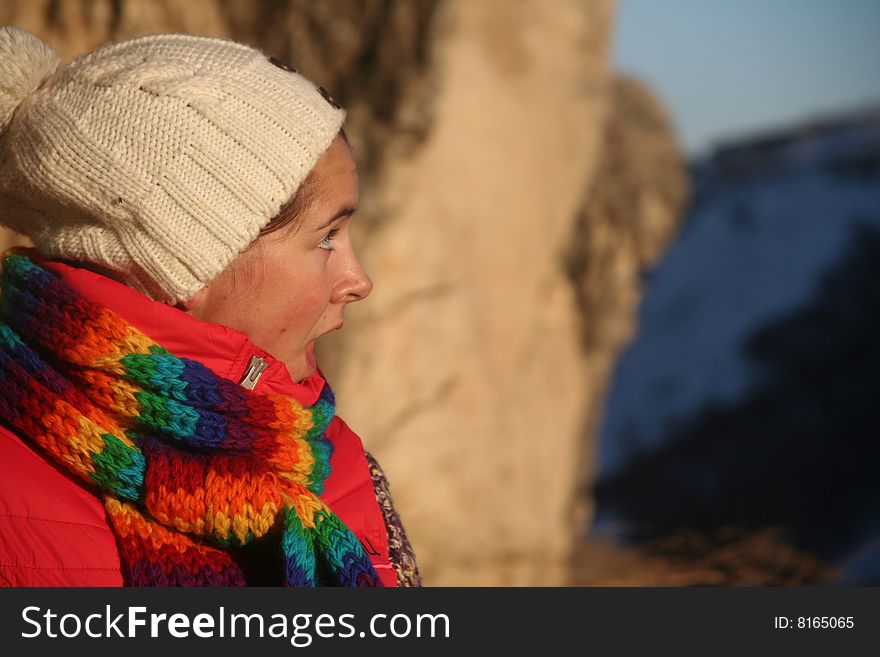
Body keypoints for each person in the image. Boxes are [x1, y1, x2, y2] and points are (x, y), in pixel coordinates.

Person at [0, 26, 421, 587]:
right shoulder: (14, 484)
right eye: (326, 237)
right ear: (189, 266)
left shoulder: (327, 460)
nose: (358, 281)